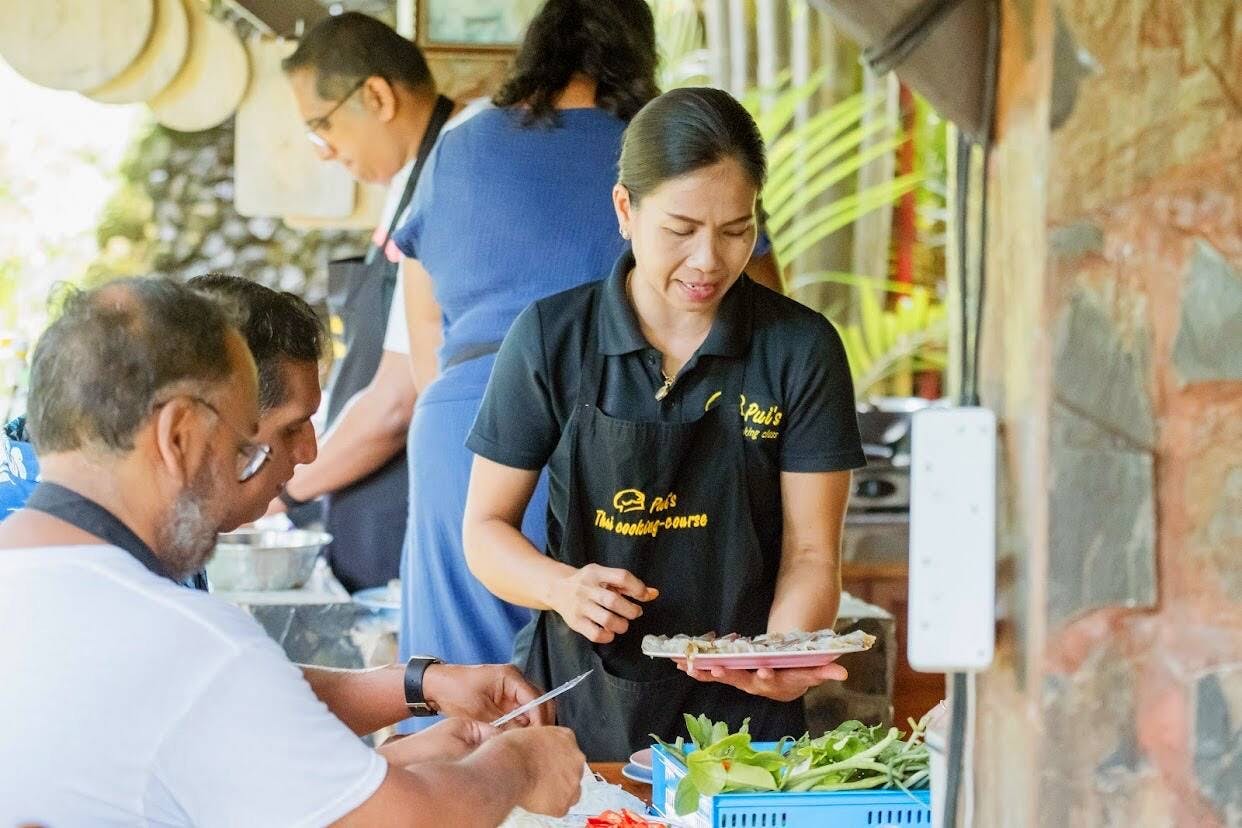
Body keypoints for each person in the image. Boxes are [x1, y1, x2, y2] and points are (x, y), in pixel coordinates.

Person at [0, 278, 585, 825]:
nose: (300, 456)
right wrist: (522, 766)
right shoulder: (185, 641)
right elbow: (402, 819)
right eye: (241, 442)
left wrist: (411, 703)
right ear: (178, 436)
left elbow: (216, 714)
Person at [461, 88, 868, 760]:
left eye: (736, 230)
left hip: (747, 726)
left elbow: (811, 555)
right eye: (680, 229)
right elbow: (484, 530)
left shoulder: (800, 348)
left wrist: (781, 653)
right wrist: (561, 587)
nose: (709, 260)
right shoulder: (552, 339)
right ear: (626, 209)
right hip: (583, 701)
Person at [389, 0, 663, 724]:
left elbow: (424, 321)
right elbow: (758, 313)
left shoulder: (457, 146)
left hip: (461, 424)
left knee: (461, 695)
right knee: (603, 688)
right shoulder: (660, 152)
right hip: (619, 425)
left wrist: (486, 421)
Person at [189, 273, 549, 740]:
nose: (310, 452)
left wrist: (427, 686)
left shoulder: (174, 556)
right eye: (291, 428)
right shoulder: (127, 579)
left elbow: (248, 696)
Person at [275, 12, 468, 593]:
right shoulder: (407, 180)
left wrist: (284, 491)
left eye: (321, 127)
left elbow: (395, 401)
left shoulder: (454, 169)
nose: (324, 153)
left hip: (417, 513)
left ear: (378, 97)